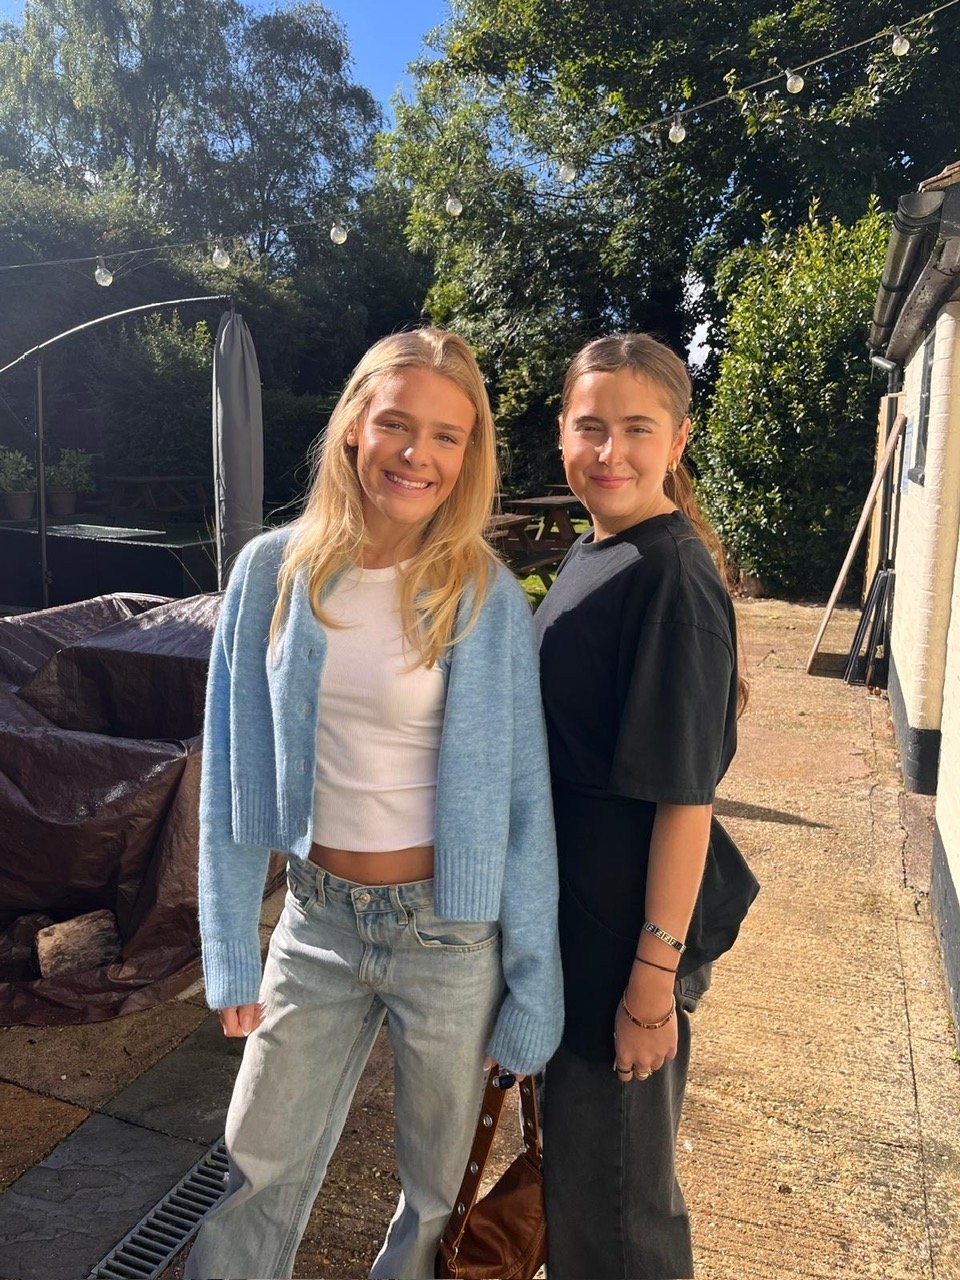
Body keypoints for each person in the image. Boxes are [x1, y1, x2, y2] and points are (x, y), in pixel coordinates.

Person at [185, 328, 563, 1280]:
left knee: (436, 1197)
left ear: (468, 454)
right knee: (254, 1168)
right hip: (315, 923)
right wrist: (229, 944)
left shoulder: (482, 596)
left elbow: (523, 803)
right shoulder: (271, 572)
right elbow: (231, 773)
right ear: (355, 424)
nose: (416, 454)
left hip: (450, 940)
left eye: (447, 435)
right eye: (396, 423)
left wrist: (534, 985)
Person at [534, 333, 759, 1279]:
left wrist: (651, 988)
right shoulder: (600, 550)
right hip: (580, 938)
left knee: (619, 1224)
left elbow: (684, 802)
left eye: (637, 428)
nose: (610, 452)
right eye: (591, 427)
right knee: (583, 1206)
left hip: (623, 952)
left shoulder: (670, 578)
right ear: (562, 433)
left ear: (678, 440)